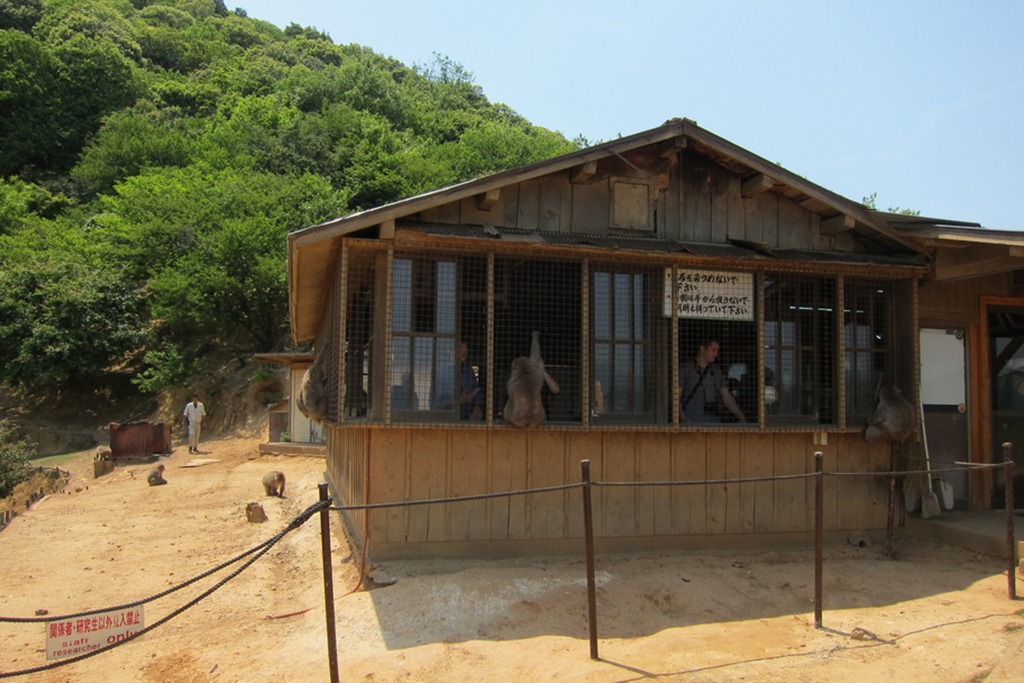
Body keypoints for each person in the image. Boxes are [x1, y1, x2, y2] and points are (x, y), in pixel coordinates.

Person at [679, 339, 746, 424]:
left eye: (717, 351)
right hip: (692, 422)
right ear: (702, 349)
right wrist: (684, 418)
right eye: (713, 350)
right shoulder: (686, 369)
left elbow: (727, 397)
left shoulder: (716, 371)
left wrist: (740, 416)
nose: (716, 354)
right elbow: (676, 398)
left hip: (713, 422)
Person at [458, 341, 483, 420]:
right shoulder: (442, 372)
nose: (464, 350)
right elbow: (436, 402)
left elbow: (477, 390)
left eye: (466, 347)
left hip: (467, 420)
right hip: (448, 422)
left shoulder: (470, 371)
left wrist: (477, 407)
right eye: (461, 347)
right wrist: (458, 400)